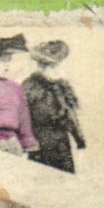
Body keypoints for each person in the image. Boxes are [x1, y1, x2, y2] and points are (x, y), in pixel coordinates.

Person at [23, 40, 85, 173]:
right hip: (39, 147)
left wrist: (80, 141)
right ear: (40, 67)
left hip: (62, 147)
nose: (58, 71)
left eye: (59, 66)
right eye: (52, 67)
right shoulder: (30, 87)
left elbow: (71, 117)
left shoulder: (63, 87)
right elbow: (21, 119)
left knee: (65, 182)